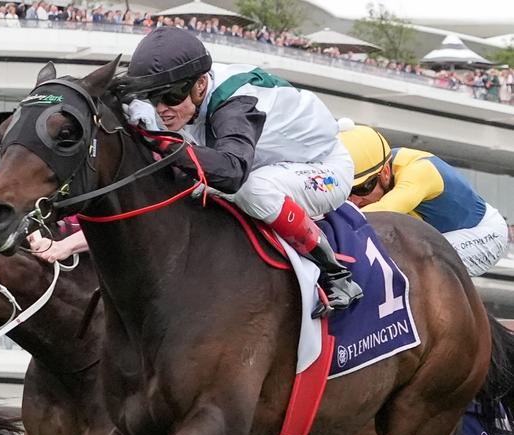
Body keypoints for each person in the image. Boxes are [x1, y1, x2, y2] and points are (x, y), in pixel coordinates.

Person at [116, 27, 362, 314]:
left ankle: (336, 274)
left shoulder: (236, 104)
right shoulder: (188, 93)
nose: (161, 110)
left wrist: (162, 142)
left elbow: (233, 173)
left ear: (199, 85)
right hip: (265, 163)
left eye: (170, 97)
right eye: (151, 97)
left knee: (252, 189)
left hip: (323, 166)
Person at [339, 124, 508, 276]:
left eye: (362, 188)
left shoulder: (420, 172)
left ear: (384, 173)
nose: (354, 200)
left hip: (484, 233)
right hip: (439, 233)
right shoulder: (379, 162)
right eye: (347, 192)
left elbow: (384, 210)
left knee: (416, 265)